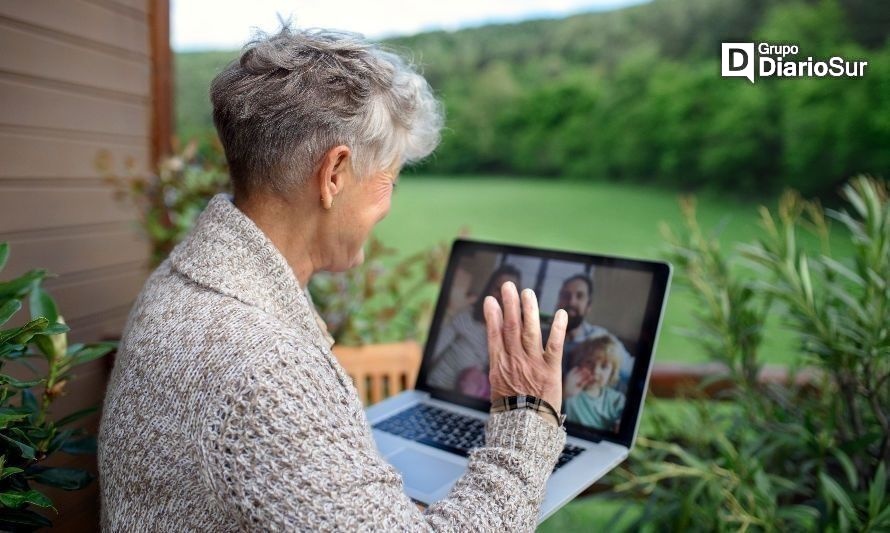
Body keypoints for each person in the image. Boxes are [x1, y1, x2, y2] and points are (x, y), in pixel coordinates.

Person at [98, 27, 569, 531]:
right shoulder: (265, 372)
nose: (389, 205)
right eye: (389, 179)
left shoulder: (185, 280)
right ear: (335, 175)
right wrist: (527, 420)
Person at [426, 264, 521, 398]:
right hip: (438, 390)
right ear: (488, 290)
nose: (501, 297)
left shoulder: (510, 336)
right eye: (497, 289)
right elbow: (433, 350)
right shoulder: (466, 316)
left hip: (468, 401)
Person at [552, 274, 633, 379]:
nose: (571, 302)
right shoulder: (541, 337)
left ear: (588, 306)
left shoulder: (601, 338)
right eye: (566, 296)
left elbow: (631, 369)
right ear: (559, 302)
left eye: (580, 296)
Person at [563, 335, 626, 431]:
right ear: (579, 363)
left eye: (604, 366)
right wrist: (564, 392)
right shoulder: (568, 389)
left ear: (612, 373)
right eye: (589, 362)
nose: (595, 371)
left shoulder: (616, 400)